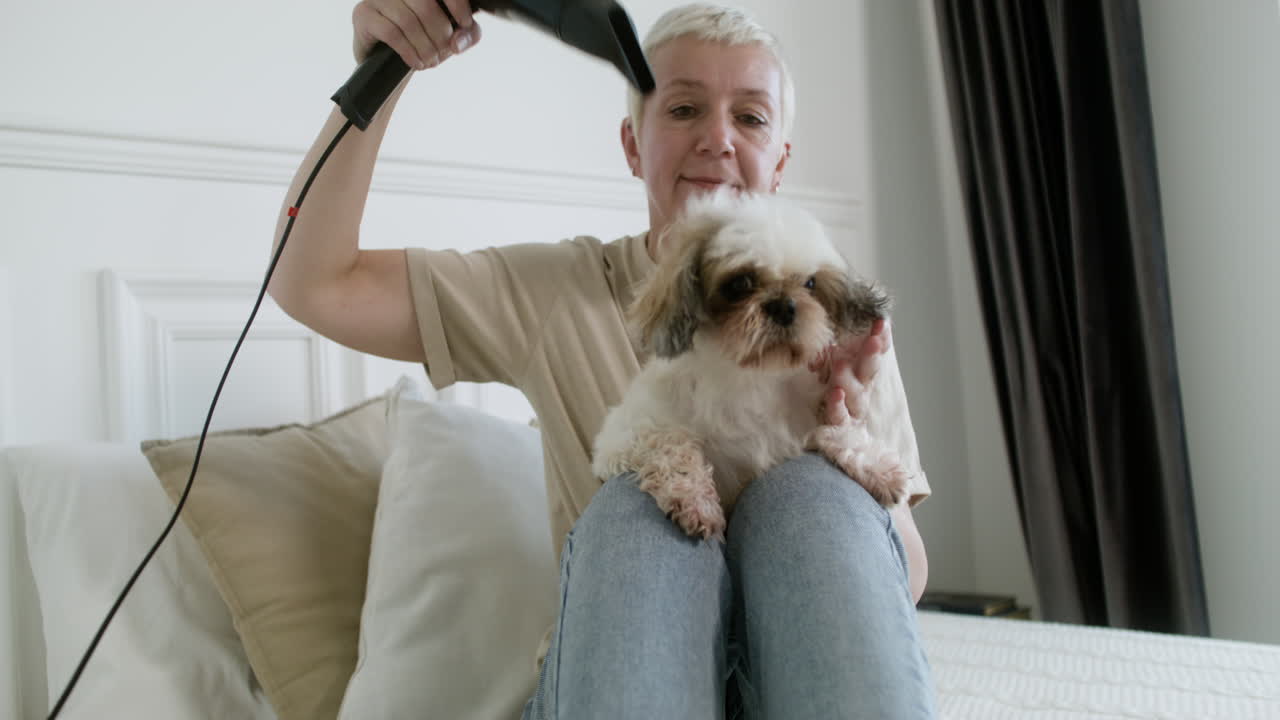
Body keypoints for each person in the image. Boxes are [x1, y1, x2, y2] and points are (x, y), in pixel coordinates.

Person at [269, 1, 938, 717]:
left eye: (750, 118)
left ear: (780, 160)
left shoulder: (826, 310)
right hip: (622, 660)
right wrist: (388, 65)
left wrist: (847, 445)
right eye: (683, 108)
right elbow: (314, 283)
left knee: (812, 495)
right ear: (631, 145)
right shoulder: (556, 291)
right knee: (634, 511)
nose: (717, 138)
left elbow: (910, 574)